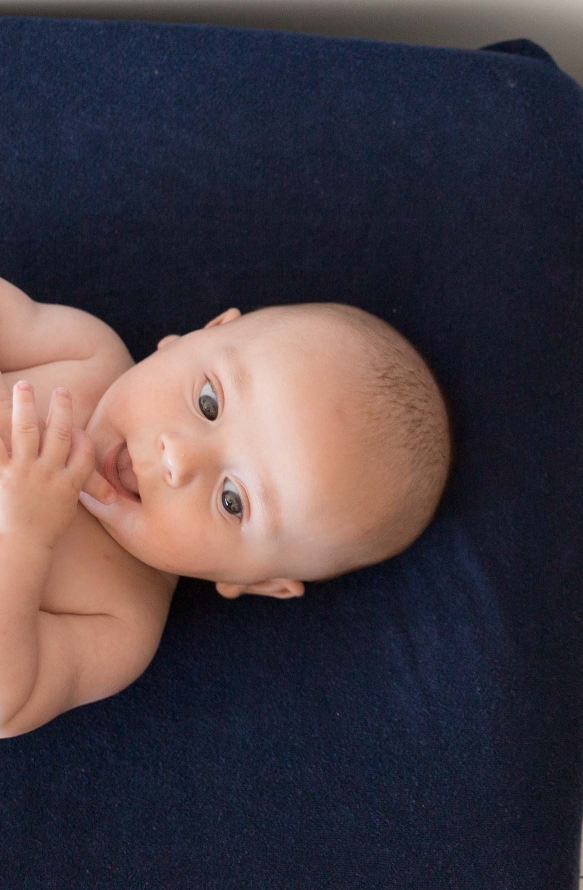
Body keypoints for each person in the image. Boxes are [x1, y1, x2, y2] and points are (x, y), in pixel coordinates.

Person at [0, 281, 452, 737]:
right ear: (199, 334)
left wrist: (23, 536)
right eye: (208, 402)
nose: (179, 458)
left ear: (256, 581)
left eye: (232, 501)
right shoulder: (86, 354)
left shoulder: (120, 623)